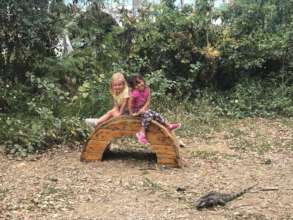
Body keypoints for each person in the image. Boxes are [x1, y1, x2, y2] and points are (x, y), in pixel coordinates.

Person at [128, 74, 181, 144]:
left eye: (139, 82)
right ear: (134, 87)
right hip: (136, 111)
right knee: (148, 114)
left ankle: (168, 125)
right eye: (136, 85)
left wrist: (143, 108)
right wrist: (132, 114)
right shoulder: (135, 93)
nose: (139, 85)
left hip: (144, 110)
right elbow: (129, 103)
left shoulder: (147, 89)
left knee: (155, 114)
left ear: (143, 81)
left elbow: (148, 101)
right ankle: (141, 133)